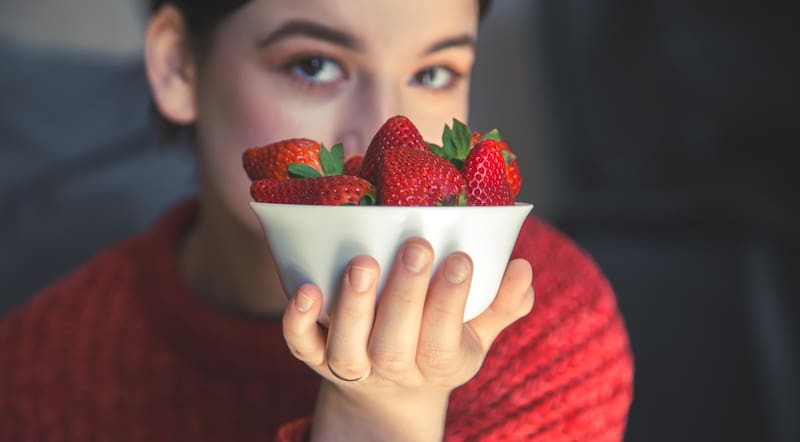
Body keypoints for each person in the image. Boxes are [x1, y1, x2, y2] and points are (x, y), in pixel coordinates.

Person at [0, 0, 634, 440]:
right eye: (315, 66)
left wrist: (388, 413)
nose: (388, 130)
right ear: (178, 66)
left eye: (434, 72)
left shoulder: (550, 319)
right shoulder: (37, 365)